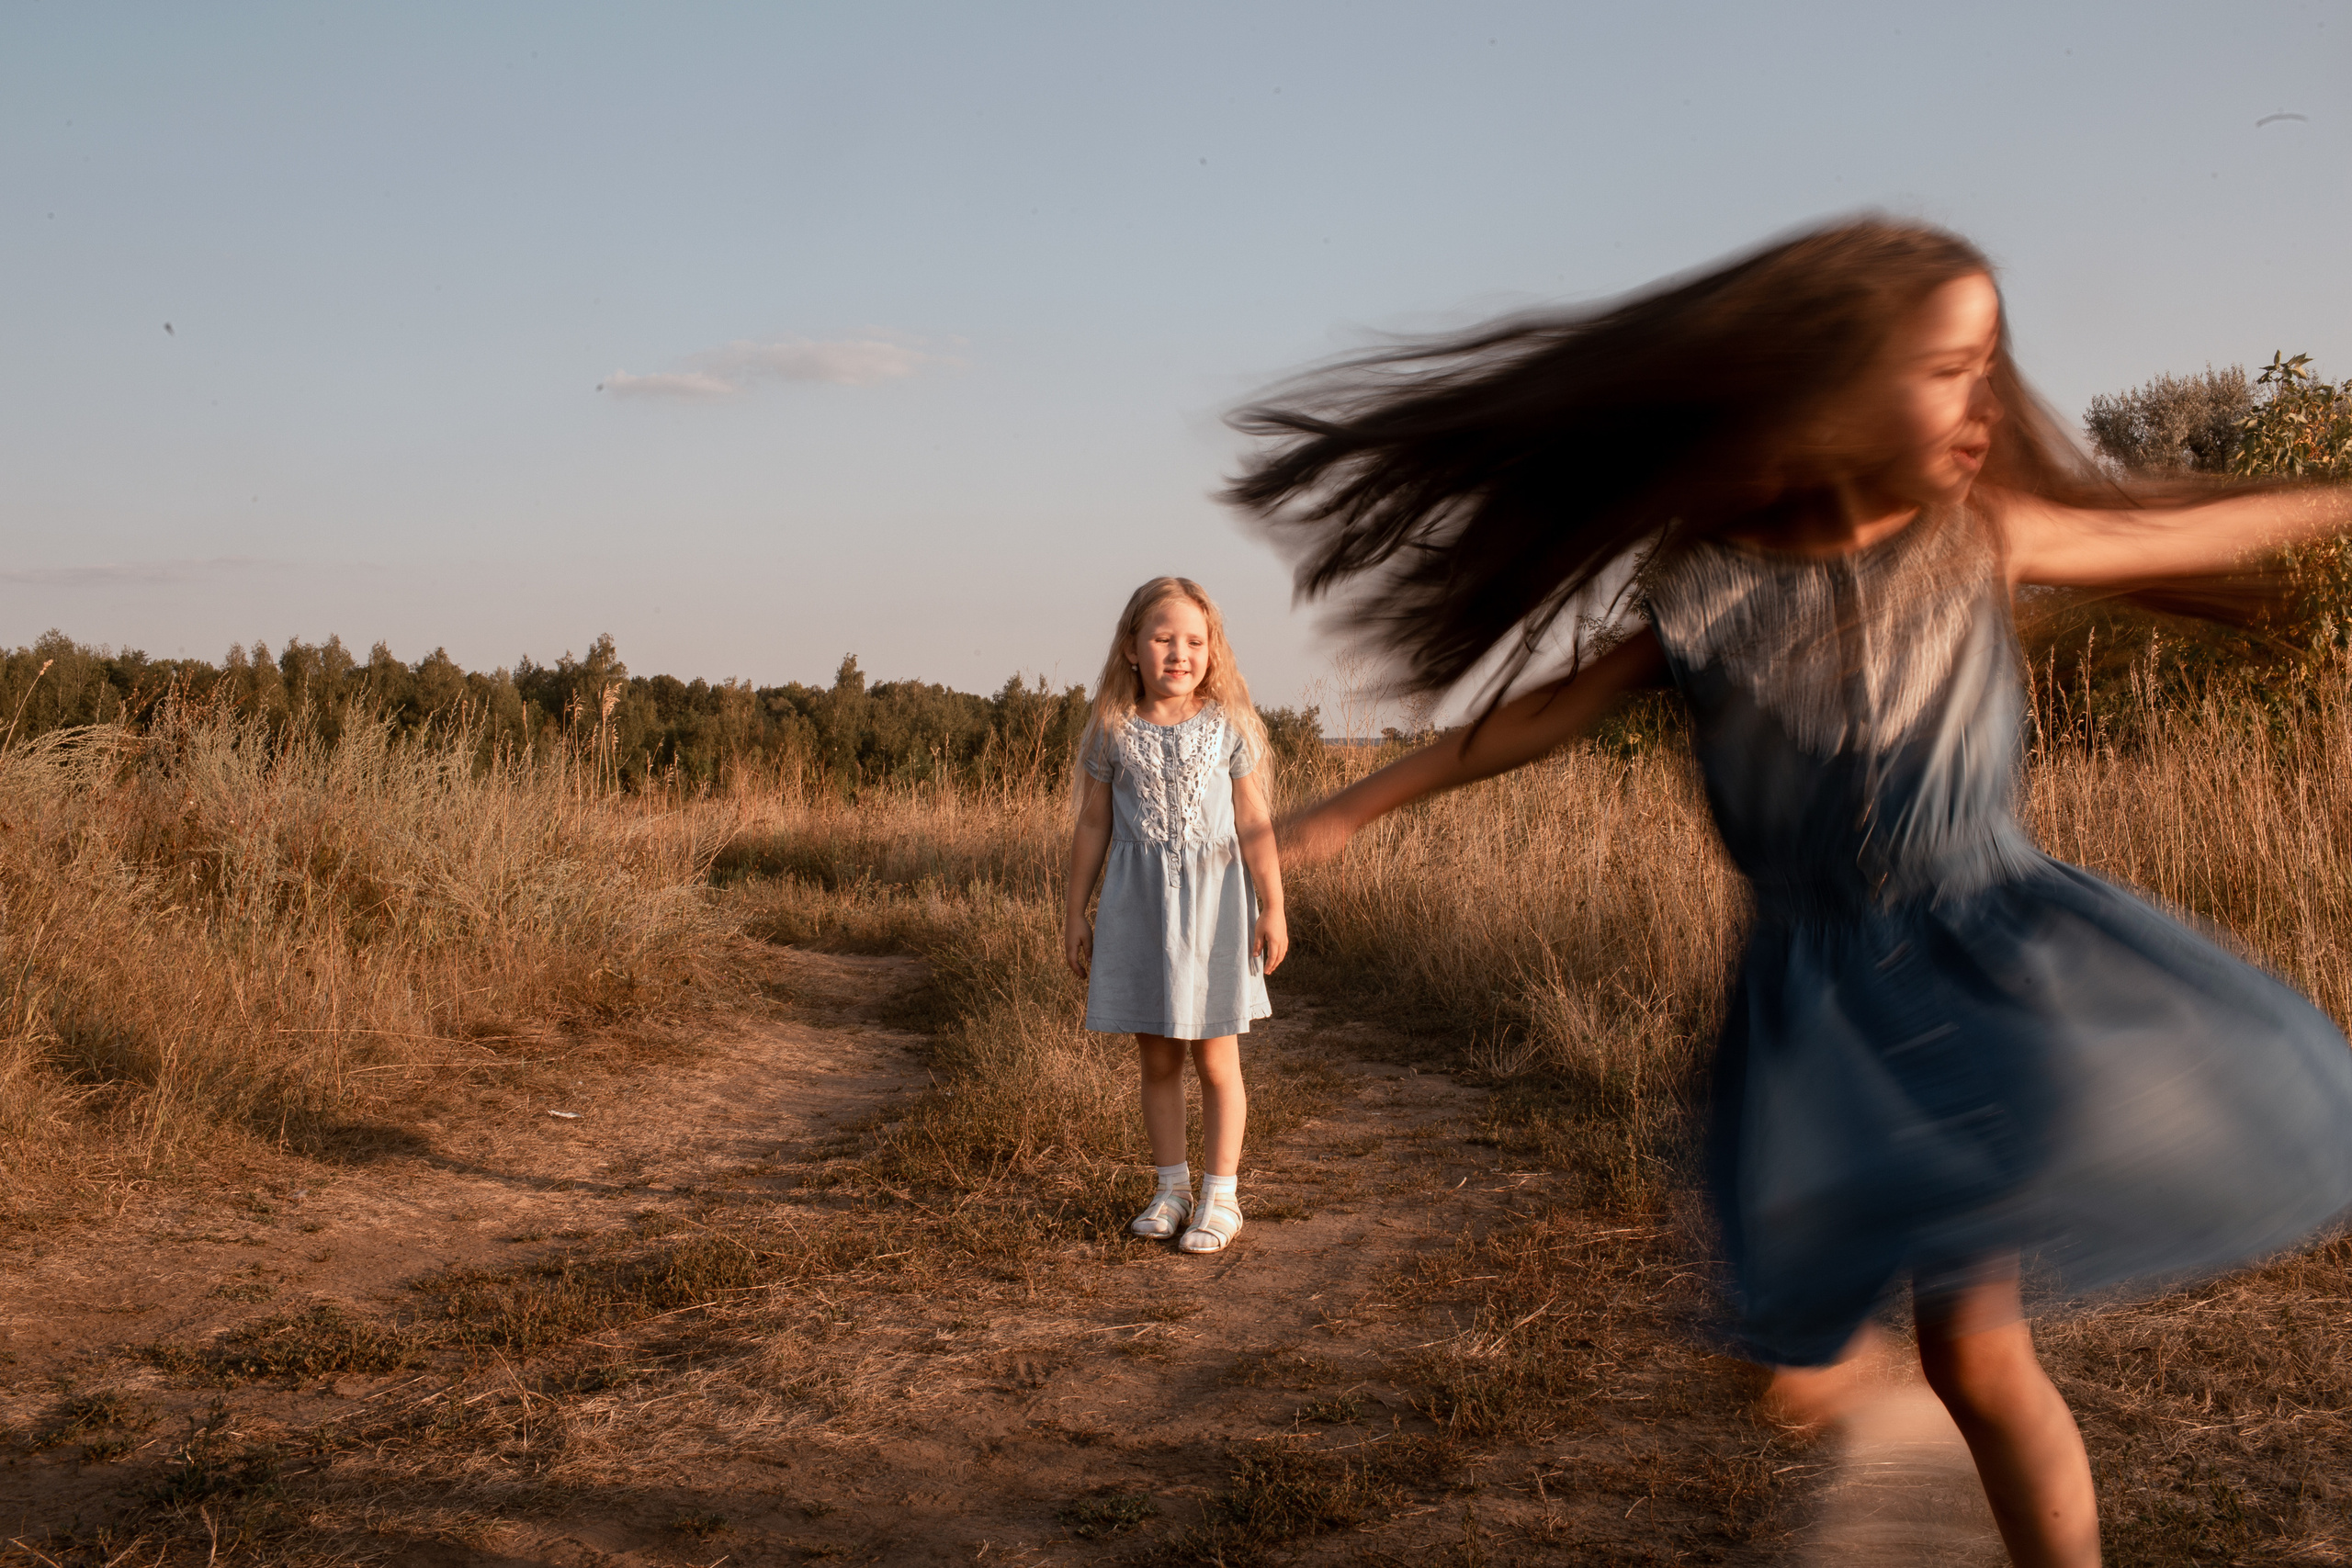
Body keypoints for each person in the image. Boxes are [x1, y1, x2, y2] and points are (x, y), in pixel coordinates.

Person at [1232, 219, 2352, 1568]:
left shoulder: (1979, 534)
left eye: (1992, 364)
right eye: (1950, 366)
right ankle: (1876, 1411)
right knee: (1789, 1360)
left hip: (1990, 958)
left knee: (1978, 1352)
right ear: (1832, 380)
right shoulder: (1710, 594)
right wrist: (1349, 807)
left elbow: (2197, 522)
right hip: (1817, 1004)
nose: (1985, 399)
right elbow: (1539, 715)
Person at [1064, 576, 1288, 1255]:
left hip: (1217, 908)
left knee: (1217, 1057)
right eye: (1163, 638)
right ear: (1133, 648)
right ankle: (1171, 1188)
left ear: (1212, 650)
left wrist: (1274, 905)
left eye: (1194, 640)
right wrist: (1075, 910)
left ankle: (1222, 1195)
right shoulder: (1113, 728)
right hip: (1140, 908)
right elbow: (1094, 823)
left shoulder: (1227, 727)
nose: (1178, 652)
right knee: (1158, 1057)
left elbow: (1253, 819)